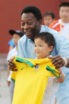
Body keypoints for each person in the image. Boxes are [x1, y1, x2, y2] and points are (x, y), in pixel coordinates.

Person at [9, 6, 69, 104]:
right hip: (35, 92)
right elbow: (25, 69)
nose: (25, 27)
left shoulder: (57, 38)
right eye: (22, 23)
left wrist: (64, 61)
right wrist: (14, 65)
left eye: (29, 23)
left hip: (60, 91)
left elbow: (62, 74)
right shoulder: (22, 42)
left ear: (40, 21)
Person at [34, 32, 64, 104]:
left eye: (40, 45)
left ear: (50, 48)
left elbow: (61, 79)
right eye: (35, 45)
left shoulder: (53, 62)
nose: (36, 48)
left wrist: (58, 69)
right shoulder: (33, 63)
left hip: (48, 100)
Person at [7, 29, 23, 102]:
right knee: (12, 99)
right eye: (13, 38)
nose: (14, 40)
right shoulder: (12, 52)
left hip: (21, 78)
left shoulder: (25, 51)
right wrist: (8, 78)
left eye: (16, 37)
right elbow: (9, 66)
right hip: (12, 78)